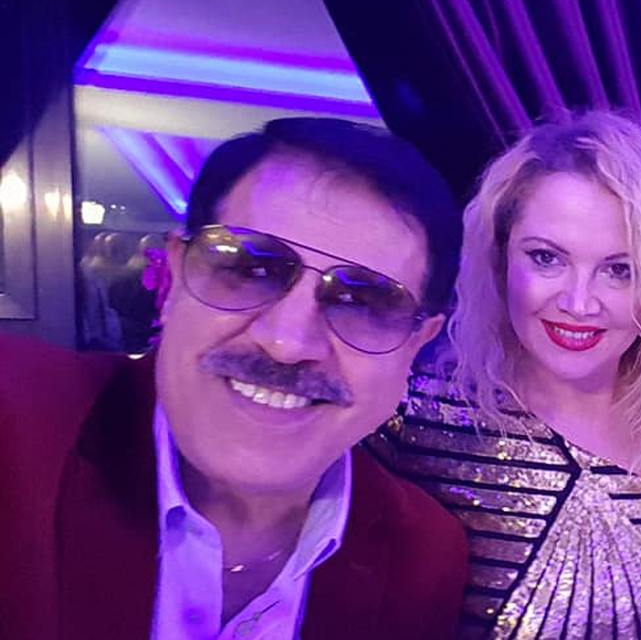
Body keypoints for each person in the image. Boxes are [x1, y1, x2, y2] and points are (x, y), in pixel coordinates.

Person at [0, 118, 469, 640]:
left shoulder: (423, 556)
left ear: (417, 344)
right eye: (249, 269)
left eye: (363, 302)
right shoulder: (14, 423)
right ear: (173, 279)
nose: (287, 343)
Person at [370, 111, 641, 639]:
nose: (578, 302)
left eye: (620, 270)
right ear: (500, 259)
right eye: (546, 258)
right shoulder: (409, 418)